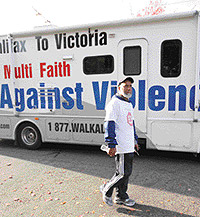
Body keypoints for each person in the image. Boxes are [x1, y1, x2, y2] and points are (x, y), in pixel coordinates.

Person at [100, 77, 139, 207]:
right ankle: (106, 188)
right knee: (123, 173)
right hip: (121, 145)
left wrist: (134, 140)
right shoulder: (114, 103)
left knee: (126, 174)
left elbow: (131, 124)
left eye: (130, 86)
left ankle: (121, 196)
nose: (128, 88)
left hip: (129, 145)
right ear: (119, 87)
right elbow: (109, 124)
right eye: (125, 86)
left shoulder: (128, 103)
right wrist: (111, 144)